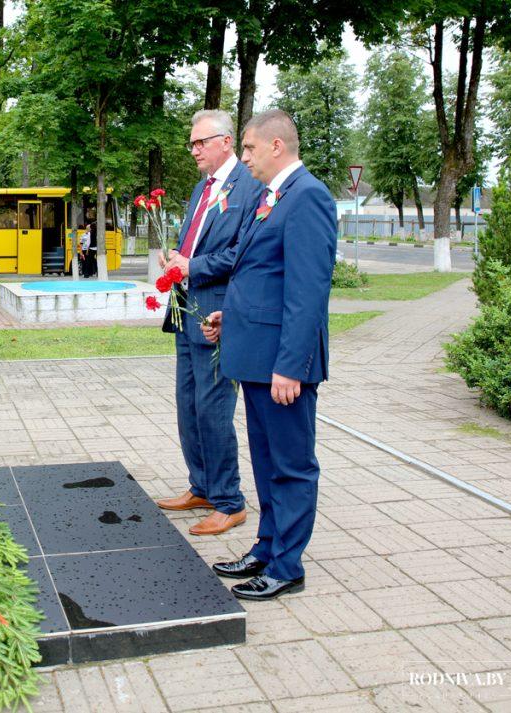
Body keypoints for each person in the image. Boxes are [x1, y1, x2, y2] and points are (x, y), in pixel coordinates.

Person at [201, 110, 337, 601]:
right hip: (256, 355)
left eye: (251, 149)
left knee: (292, 464)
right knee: (265, 460)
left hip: (281, 366)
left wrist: (290, 367)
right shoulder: (271, 196)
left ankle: (287, 566)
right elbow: (259, 276)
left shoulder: (308, 197)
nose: (247, 158)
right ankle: (266, 547)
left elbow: (307, 292)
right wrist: (230, 320)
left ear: (276, 147)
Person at [155, 110, 262, 536]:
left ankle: (229, 501)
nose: (194, 150)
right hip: (185, 311)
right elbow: (194, 243)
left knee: (214, 410)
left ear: (227, 142)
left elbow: (244, 253)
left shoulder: (250, 188)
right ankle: (201, 486)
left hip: (215, 315)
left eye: (201, 142)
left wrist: (193, 265)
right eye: (192, 144)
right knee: (189, 407)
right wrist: (176, 260)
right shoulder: (204, 187)